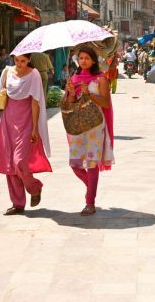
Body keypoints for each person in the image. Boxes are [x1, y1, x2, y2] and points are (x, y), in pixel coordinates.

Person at [0, 54, 51, 215]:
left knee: (19, 160)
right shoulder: (7, 72)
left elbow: (35, 102)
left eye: (23, 61)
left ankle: (35, 187)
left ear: (29, 60)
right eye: (17, 60)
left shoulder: (34, 74)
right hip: (8, 122)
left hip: (26, 123)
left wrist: (35, 128)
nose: (20, 64)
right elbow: (0, 97)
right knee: (9, 164)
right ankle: (18, 203)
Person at [65, 46, 114, 216]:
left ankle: (90, 203)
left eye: (87, 58)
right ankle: (90, 187)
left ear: (93, 60)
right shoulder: (73, 78)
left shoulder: (100, 79)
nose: (83, 61)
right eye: (81, 58)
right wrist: (71, 92)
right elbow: (70, 102)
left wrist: (89, 93)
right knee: (75, 164)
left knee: (91, 164)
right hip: (78, 126)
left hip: (95, 126)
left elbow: (106, 103)